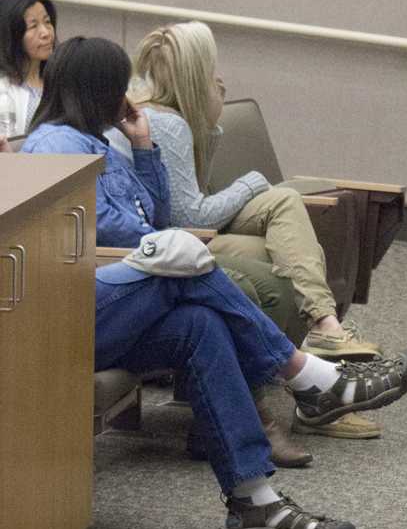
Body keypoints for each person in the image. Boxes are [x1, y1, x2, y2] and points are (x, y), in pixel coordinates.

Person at [21, 36, 407, 529]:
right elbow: (108, 231)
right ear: (99, 88)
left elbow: (156, 214)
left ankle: (255, 501)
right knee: (185, 264)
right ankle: (310, 378)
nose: (130, 95)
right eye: (120, 85)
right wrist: (163, 243)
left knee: (200, 326)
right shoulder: (55, 143)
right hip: (62, 307)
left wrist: (144, 148)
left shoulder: (97, 142)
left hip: (108, 298)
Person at [125, 22, 381, 362]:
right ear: (193, 76)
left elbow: (193, 192)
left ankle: (318, 334)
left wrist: (209, 121)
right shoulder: (167, 125)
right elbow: (191, 216)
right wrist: (252, 182)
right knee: (282, 249)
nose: (216, 77)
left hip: (179, 234)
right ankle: (317, 334)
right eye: (209, 69)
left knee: (284, 212)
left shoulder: (162, 113)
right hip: (172, 240)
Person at [0, 0, 57, 134]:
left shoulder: (60, 82)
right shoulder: (3, 89)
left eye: (47, 22)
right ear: (12, 34)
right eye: (33, 26)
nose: (46, 33)